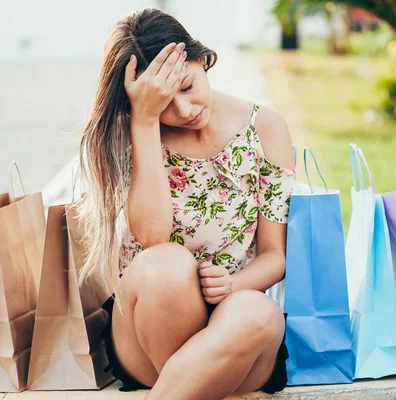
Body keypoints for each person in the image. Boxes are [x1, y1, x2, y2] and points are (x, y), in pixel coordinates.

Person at [75, 7, 296, 400]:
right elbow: (153, 236)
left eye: (188, 87)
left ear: (200, 58)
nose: (184, 111)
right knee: (168, 262)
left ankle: (181, 390)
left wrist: (233, 284)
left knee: (259, 313)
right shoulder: (132, 134)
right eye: (163, 103)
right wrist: (144, 122)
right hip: (145, 336)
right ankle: (190, 386)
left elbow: (274, 256)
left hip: (234, 337)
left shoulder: (266, 129)